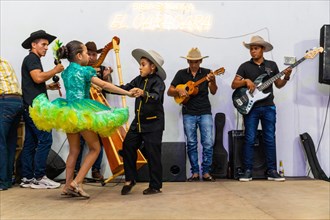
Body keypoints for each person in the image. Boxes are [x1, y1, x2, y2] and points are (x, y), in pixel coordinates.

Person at [29, 40, 132, 198]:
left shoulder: (66, 72)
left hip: (68, 111)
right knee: (95, 148)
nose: (89, 57)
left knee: (74, 150)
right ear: (78, 56)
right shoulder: (85, 71)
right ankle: (76, 182)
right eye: (85, 53)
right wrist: (127, 93)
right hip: (82, 111)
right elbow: (105, 85)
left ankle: (67, 186)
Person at [231, 35, 292, 182]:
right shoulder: (244, 66)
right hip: (251, 108)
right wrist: (245, 81)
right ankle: (247, 171)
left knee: (269, 138)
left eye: (256, 48)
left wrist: (287, 77)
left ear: (262, 49)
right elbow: (234, 84)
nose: (253, 51)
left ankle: (271, 171)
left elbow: (278, 85)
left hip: (268, 106)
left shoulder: (272, 65)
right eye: (251, 49)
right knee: (249, 138)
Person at [20, 30, 64, 189]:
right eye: (43, 44)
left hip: (30, 106)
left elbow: (34, 82)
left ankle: (27, 177)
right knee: (45, 139)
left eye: (47, 45)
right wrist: (55, 70)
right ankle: (39, 177)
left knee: (31, 143)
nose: (46, 48)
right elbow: (37, 77)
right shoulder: (32, 59)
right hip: (36, 108)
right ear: (33, 44)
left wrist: (48, 86)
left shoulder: (31, 59)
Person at [167, 48, 217, 182]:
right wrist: (179, 89)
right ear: (188, 61)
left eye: (196, 62)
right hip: (188, 112)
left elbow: (213, 91)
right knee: (192, 143)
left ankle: (206, 172)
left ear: (200, 61)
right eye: (191, 61)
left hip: (205, 111)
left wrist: (212, 81)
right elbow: (169, 91)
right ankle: (195, 172)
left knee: (207, 142)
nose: (193, 64)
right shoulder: (181, 74)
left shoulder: (207, 73)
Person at [120, 49, 166, 195]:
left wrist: (143, 93)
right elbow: (125, 88)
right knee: (128, 145)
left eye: (143, 64)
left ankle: (155, 186)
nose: (140, 67)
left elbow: (156, 97)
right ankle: (130, 179)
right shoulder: (138, 79)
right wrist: (104, 88)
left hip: (153, 123)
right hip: (138, 122)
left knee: (153, 154)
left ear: (152, 67)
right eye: (140, 64)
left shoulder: (158, 82)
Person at [74, 41, 113, 181]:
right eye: (88, 54)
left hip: (97, 109)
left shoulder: (102, 69)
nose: (91, 57)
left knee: (99, 141)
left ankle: (96, 170)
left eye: (94, 54)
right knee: (80, 142)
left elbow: (108, 87)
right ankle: (77, 172)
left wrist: (107, 76)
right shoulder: (80, 68)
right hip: (83, 110)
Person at [0, 57, 24, 191]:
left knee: (1, 143)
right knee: (9, 143)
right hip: (17, 102)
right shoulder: (5, 61)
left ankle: (2, 182)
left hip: (4, 103)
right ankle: (7, 180)